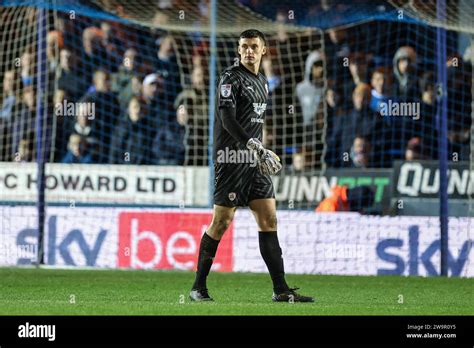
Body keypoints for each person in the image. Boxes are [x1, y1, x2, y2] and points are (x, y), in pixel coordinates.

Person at [189, 29, 313, 303]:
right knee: (221, 221)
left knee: (269, 218)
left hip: (254, 160)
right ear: (238, 49)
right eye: (244, 46)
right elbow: (226, 117)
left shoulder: (262, 81)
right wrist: (252, 144)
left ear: (263, 50)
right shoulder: (230, 78)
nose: (248, 51)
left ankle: (281, 290)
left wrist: (260, 147)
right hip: (230, 159)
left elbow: (255, 122)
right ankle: (198, 287)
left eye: (253, 46)